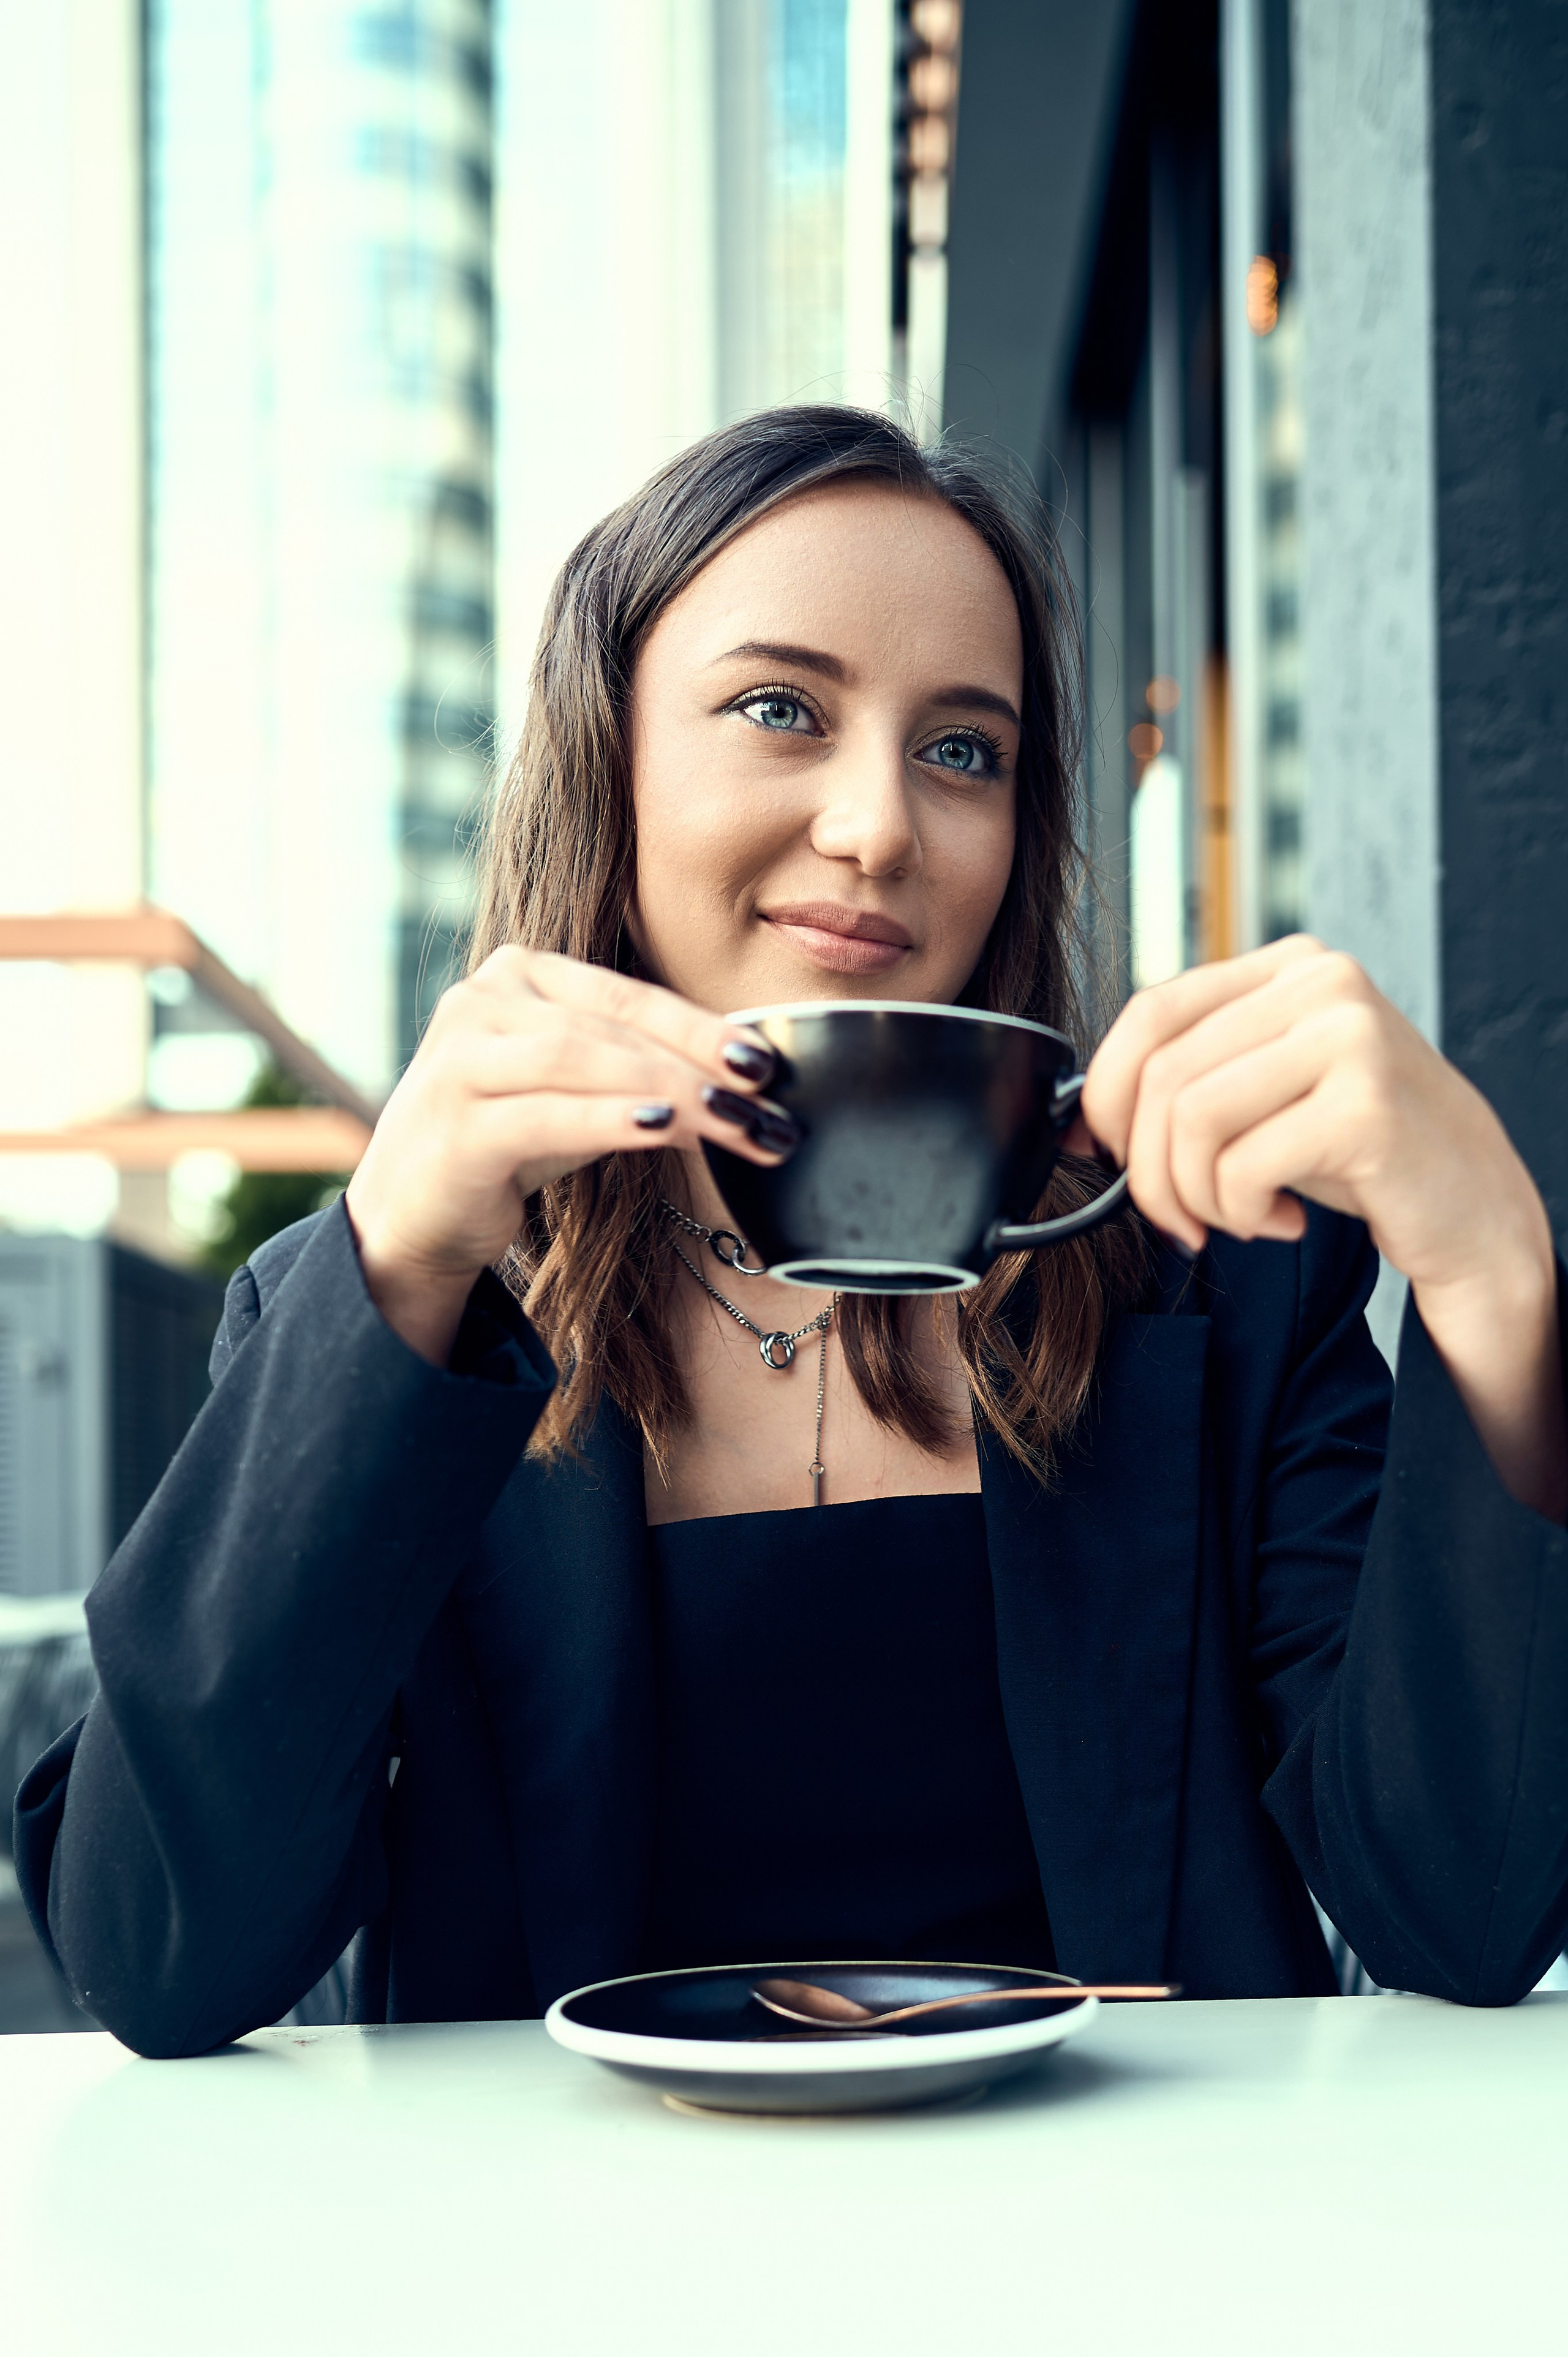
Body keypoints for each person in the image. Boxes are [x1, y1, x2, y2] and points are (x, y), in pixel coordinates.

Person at [15, 407, 1568, 2057]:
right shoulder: (398, 1308)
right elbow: (155, 1957)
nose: (878, 827)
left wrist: (1494, 1270)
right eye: (779, 711)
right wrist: (394, 1262)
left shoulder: (1225, 1280)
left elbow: (1465, 1914)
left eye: (962, 748)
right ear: (607, 756)